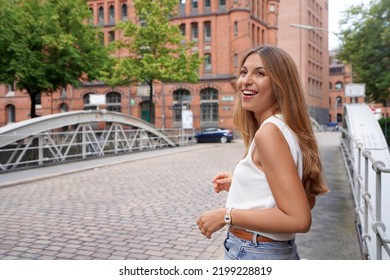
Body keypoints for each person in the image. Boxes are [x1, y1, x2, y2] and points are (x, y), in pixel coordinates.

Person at [196, 45, 329, 260]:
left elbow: (299, 218)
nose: (246, 80)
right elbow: (304, 199)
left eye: (260, 73)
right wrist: (241, 181)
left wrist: (225, 215)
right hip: (267, 250)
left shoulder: (269, 134)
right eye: (243, 72)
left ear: (280, 84)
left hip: (253, 252)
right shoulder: (287, 127)